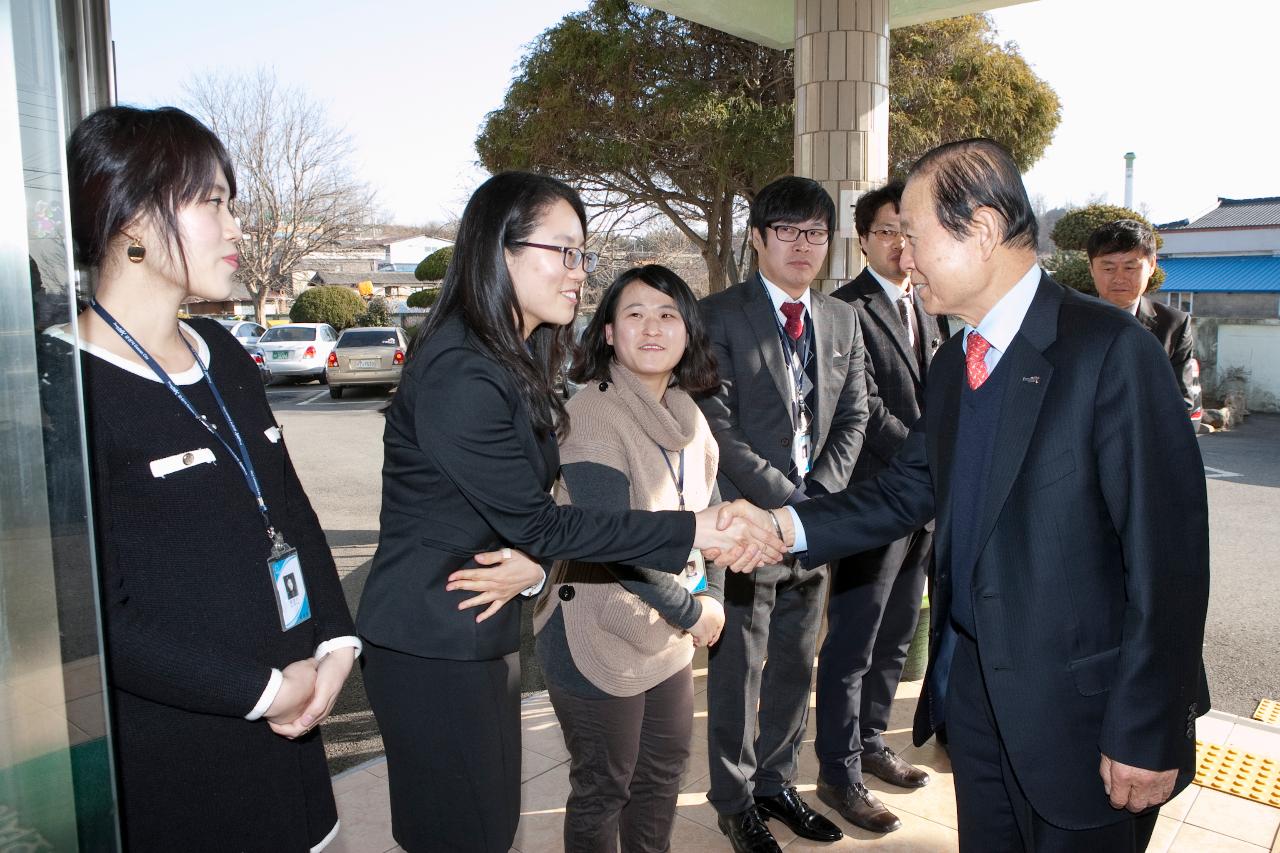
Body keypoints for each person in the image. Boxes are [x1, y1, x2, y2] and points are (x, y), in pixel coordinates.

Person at [723, 138, 1211, 853]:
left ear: (980, 230)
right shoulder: (958, 361)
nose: (903, 257)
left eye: (913, 237)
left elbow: (1169, 559)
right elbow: (901, 492)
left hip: (1089, 718)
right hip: (978, 707)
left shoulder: (1108, 351)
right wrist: (781, 525)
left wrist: (1147, 725)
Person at [354, 172, 782, 853]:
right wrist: (696, 528)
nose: (578, 273)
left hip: (476, 625)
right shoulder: (462, 370)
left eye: (582, 254)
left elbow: (527, 520)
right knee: (465, 832)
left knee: (491, 827)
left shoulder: (513, 357)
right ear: (501, 251)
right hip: (430, 641)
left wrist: (531, 563)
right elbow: (547, 521)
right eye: (564, 251)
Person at [49, 105, 359, 852]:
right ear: (128, 216)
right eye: (210, 202)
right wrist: (260, 692)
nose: (236, 228)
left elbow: (289, 508)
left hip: (296, 736)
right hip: (185, 763)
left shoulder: (222, 349)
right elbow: (92, 614)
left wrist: (337, 644)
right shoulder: (59, 385)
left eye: (232, 203)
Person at [697, 176, 870, 853]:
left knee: (798, 663)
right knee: (739, 669)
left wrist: (817, 503)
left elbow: (852, 417)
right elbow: (719, 422)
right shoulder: (718, 315)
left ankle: (776, 783)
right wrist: (788, 506)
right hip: (747, 531)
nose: (804, 245)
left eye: (816, 233)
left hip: (814, 533)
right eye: (789, 231)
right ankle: (734, 799)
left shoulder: (840, 319)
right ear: (759, 237)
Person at [531, 264, 727, 852]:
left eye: (668, 314)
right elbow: (610, 544)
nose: (652, 328)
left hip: (661, 626)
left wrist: (710, 594)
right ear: (609, 333)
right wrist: (697, 614)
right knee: (603, 788)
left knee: (662, 774)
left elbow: (710, 515)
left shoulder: (690, 414)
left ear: (687, 331)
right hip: (593, 628)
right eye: (634, 314)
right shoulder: (592, 414)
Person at [817, 181, 944, 833]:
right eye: (889, 230)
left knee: (897, 635)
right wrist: (937, 457)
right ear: (862, 237)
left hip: (924, 502)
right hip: (871, 501)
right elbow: (861, 408)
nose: (902, 243)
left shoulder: (936, 302)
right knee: (854, 641)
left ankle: (870, 740)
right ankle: (837, 771)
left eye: (911, 230)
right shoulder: (844, 309)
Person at [1088, 218, 1198, 415]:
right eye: (1108, 268)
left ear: (1152, 265)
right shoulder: (1064, 319)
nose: (1119, 278)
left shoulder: (1173, 325)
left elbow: (1182, 401)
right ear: (1091, 268)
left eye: (1130, 267)